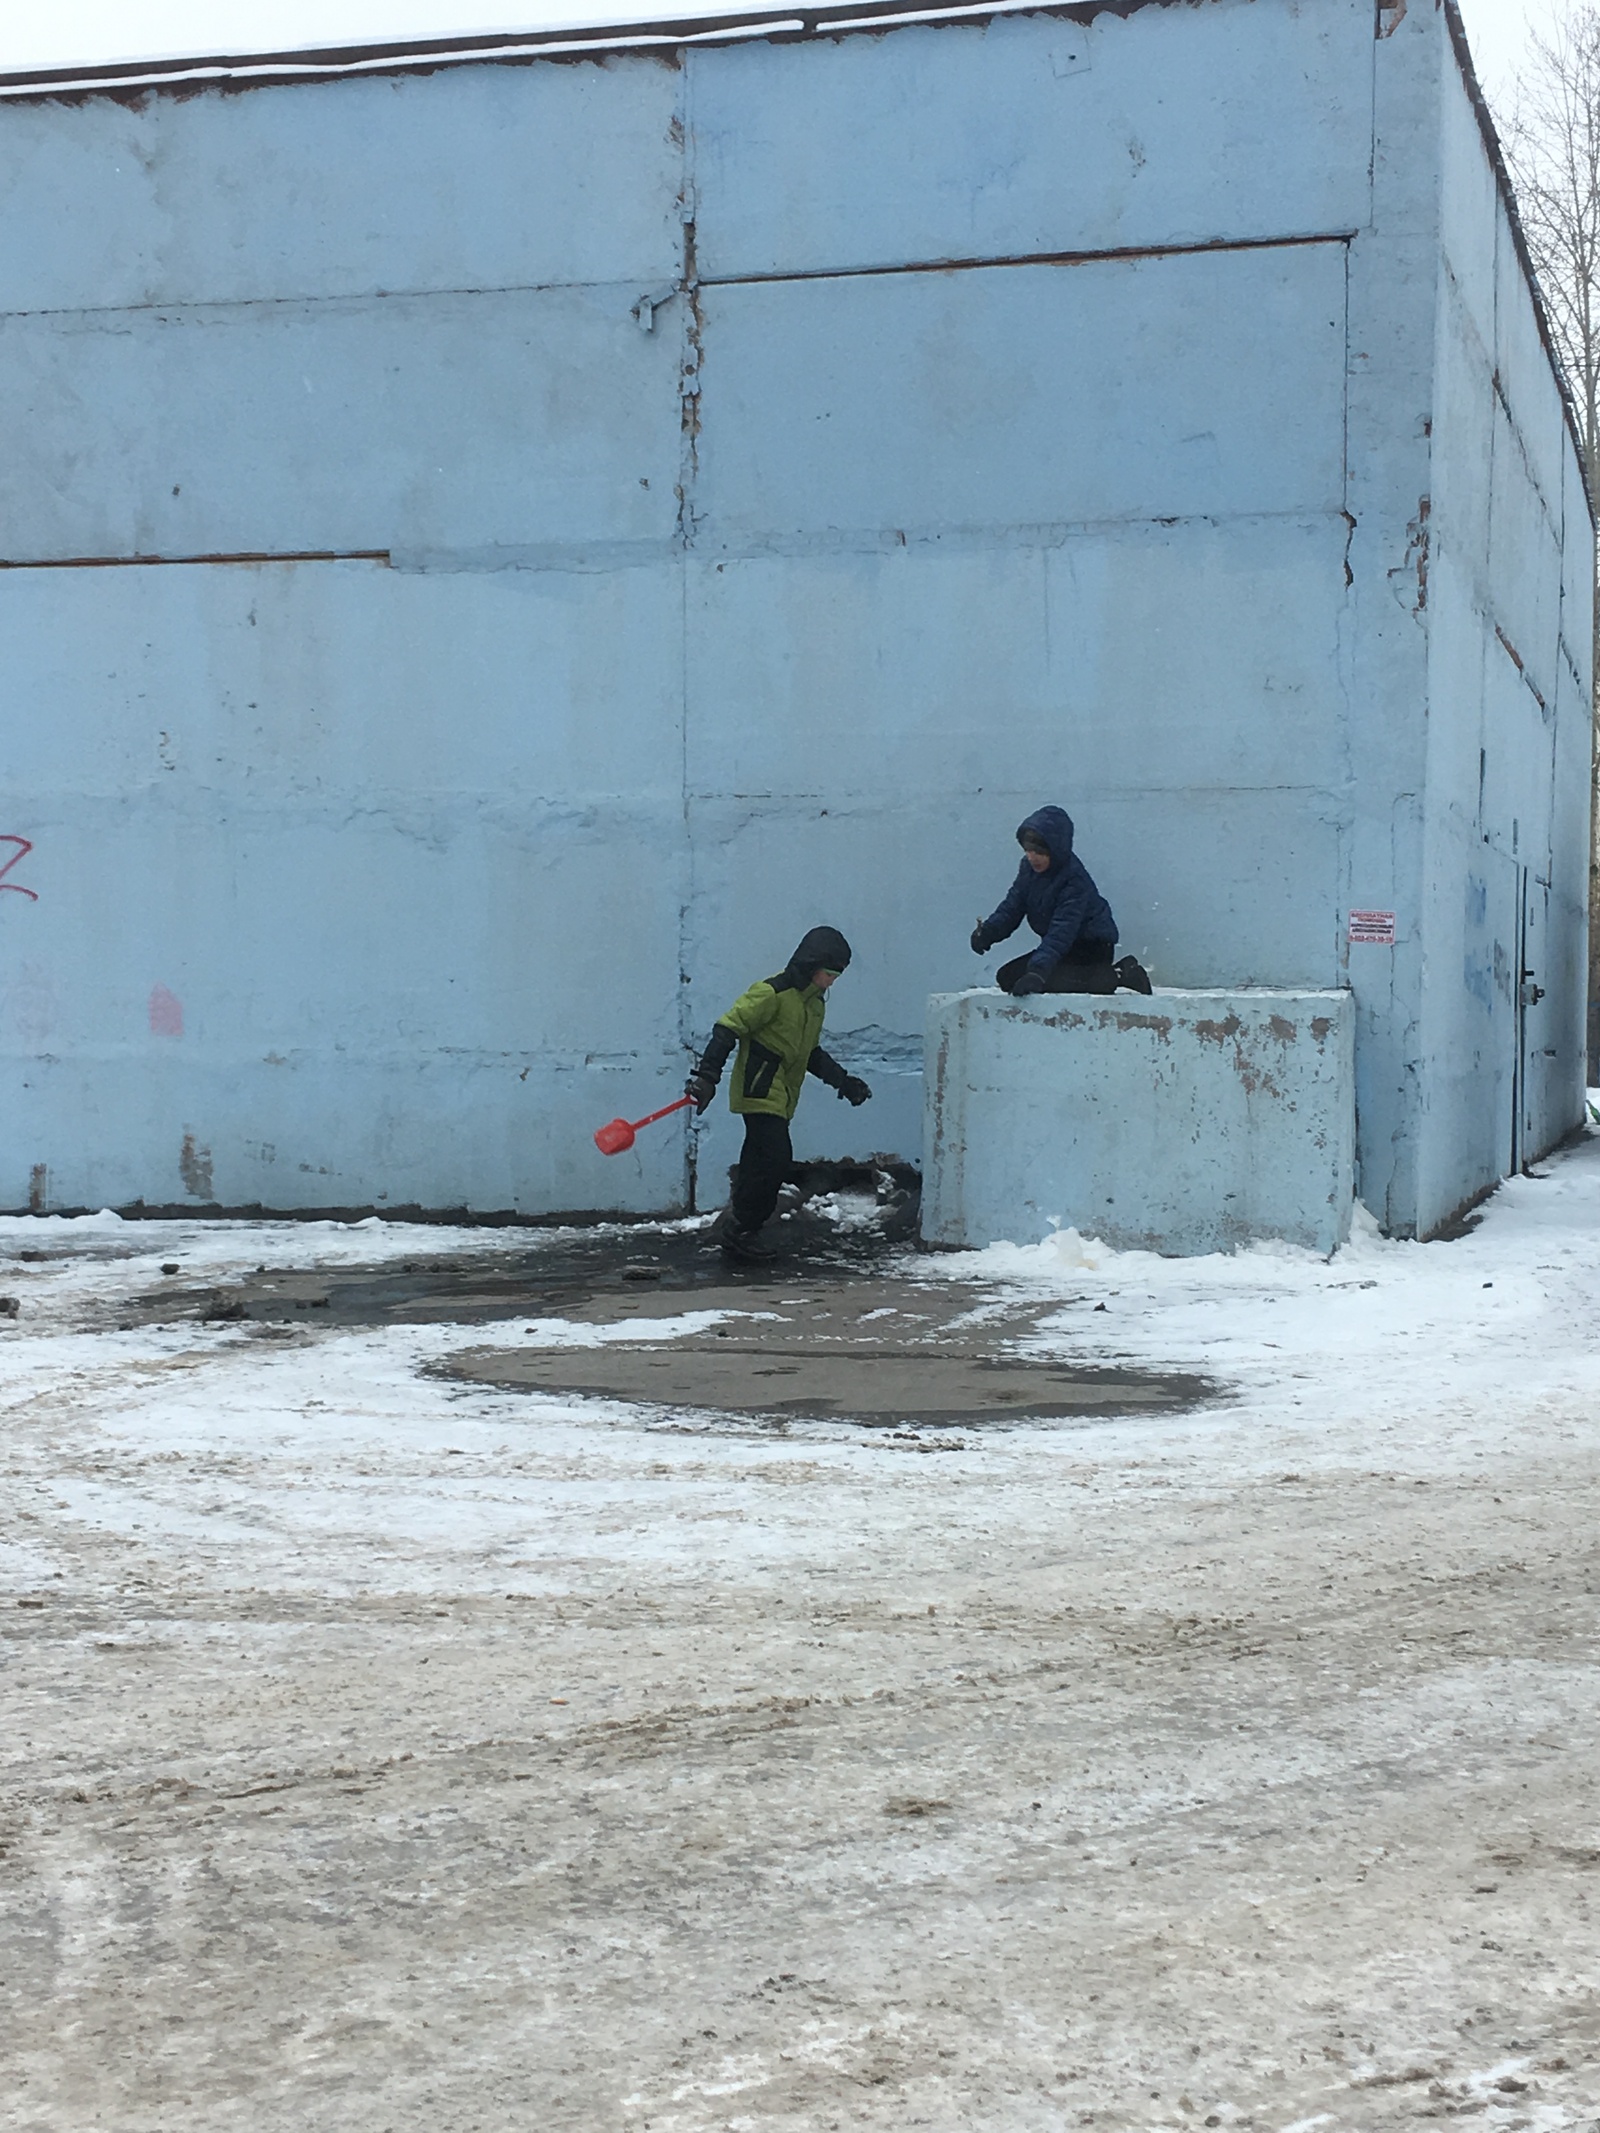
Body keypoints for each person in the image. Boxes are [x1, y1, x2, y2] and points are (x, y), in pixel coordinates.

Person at [686, 926, 871, 1262]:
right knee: (773, 1157)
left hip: (783, 1095)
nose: (831, 981)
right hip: (759, 1087)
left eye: (836, 976)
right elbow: (727, 1027)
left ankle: (740, 1227)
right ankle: (742, 1227)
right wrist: (707, 1076)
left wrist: (844, 1082)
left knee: (761, 1160)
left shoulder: (813, 1006)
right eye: (828, 973)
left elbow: (811, 1053)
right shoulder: (771, 993)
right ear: (811, 965)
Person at [971, 805, 1152, 996]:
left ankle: (1121, 974)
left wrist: (1038, 972)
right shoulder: (1029, 870)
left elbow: (1062, 930)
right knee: (1008, 977)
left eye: (1040, 851)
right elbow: (1012, 907)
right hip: (1061, 949)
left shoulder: (1074, 880)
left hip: (1090, 948)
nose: (1033, 857)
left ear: (1056, 848)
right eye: (1028, 850)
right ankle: (1089, 977)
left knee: (1045, 980)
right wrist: (989, 932)